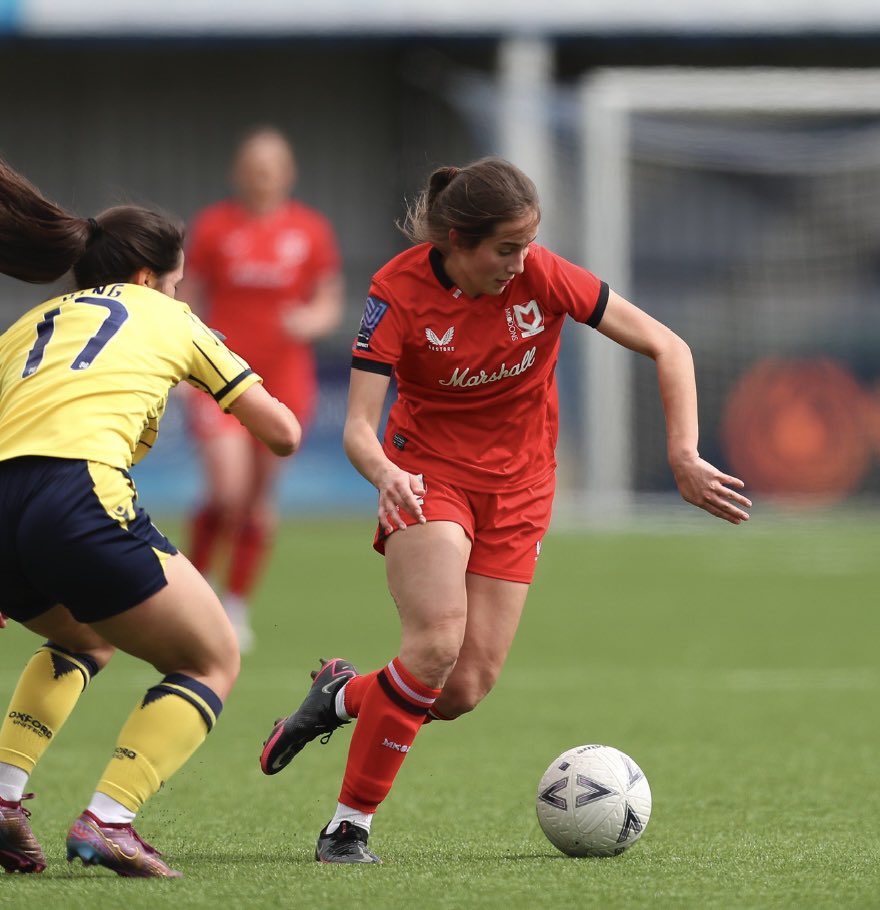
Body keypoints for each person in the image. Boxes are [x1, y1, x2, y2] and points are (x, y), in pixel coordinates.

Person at [259, 157, 752, 864]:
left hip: (521, 489)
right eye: (506, 249)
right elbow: (358, 429)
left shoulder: (543, 276)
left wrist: (683, 452)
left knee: (460, 688)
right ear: (457, 241)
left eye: (527, 246)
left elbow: (667, 346)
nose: (521, 264)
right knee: (434, 646)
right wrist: (386, 473)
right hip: (427, 476)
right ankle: (348, 827)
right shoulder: (395, 291)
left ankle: (339, 697)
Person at [0, 158, 301, 877]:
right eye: (175, 281)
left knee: (86, 637)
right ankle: (111, 818)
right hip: (75, 493)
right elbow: (283, 433)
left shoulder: (28, 324)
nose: (178, 293)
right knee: (212, 655)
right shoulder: (167, 315)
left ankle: (5, 797)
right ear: (145, 279)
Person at [182, 126, 342, 651]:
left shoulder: (311, 231)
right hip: (220, 377)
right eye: (253, 165)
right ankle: (193, 589)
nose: (262, 175)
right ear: (238, 172)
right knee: (225, 489)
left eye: (271, 166)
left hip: (285, 380)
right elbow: (187, 298)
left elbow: (329, 302)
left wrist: (309, 321)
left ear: (287, 173)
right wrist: (182, 364)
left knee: (256, 501)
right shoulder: (213, 227)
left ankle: (237, 606)